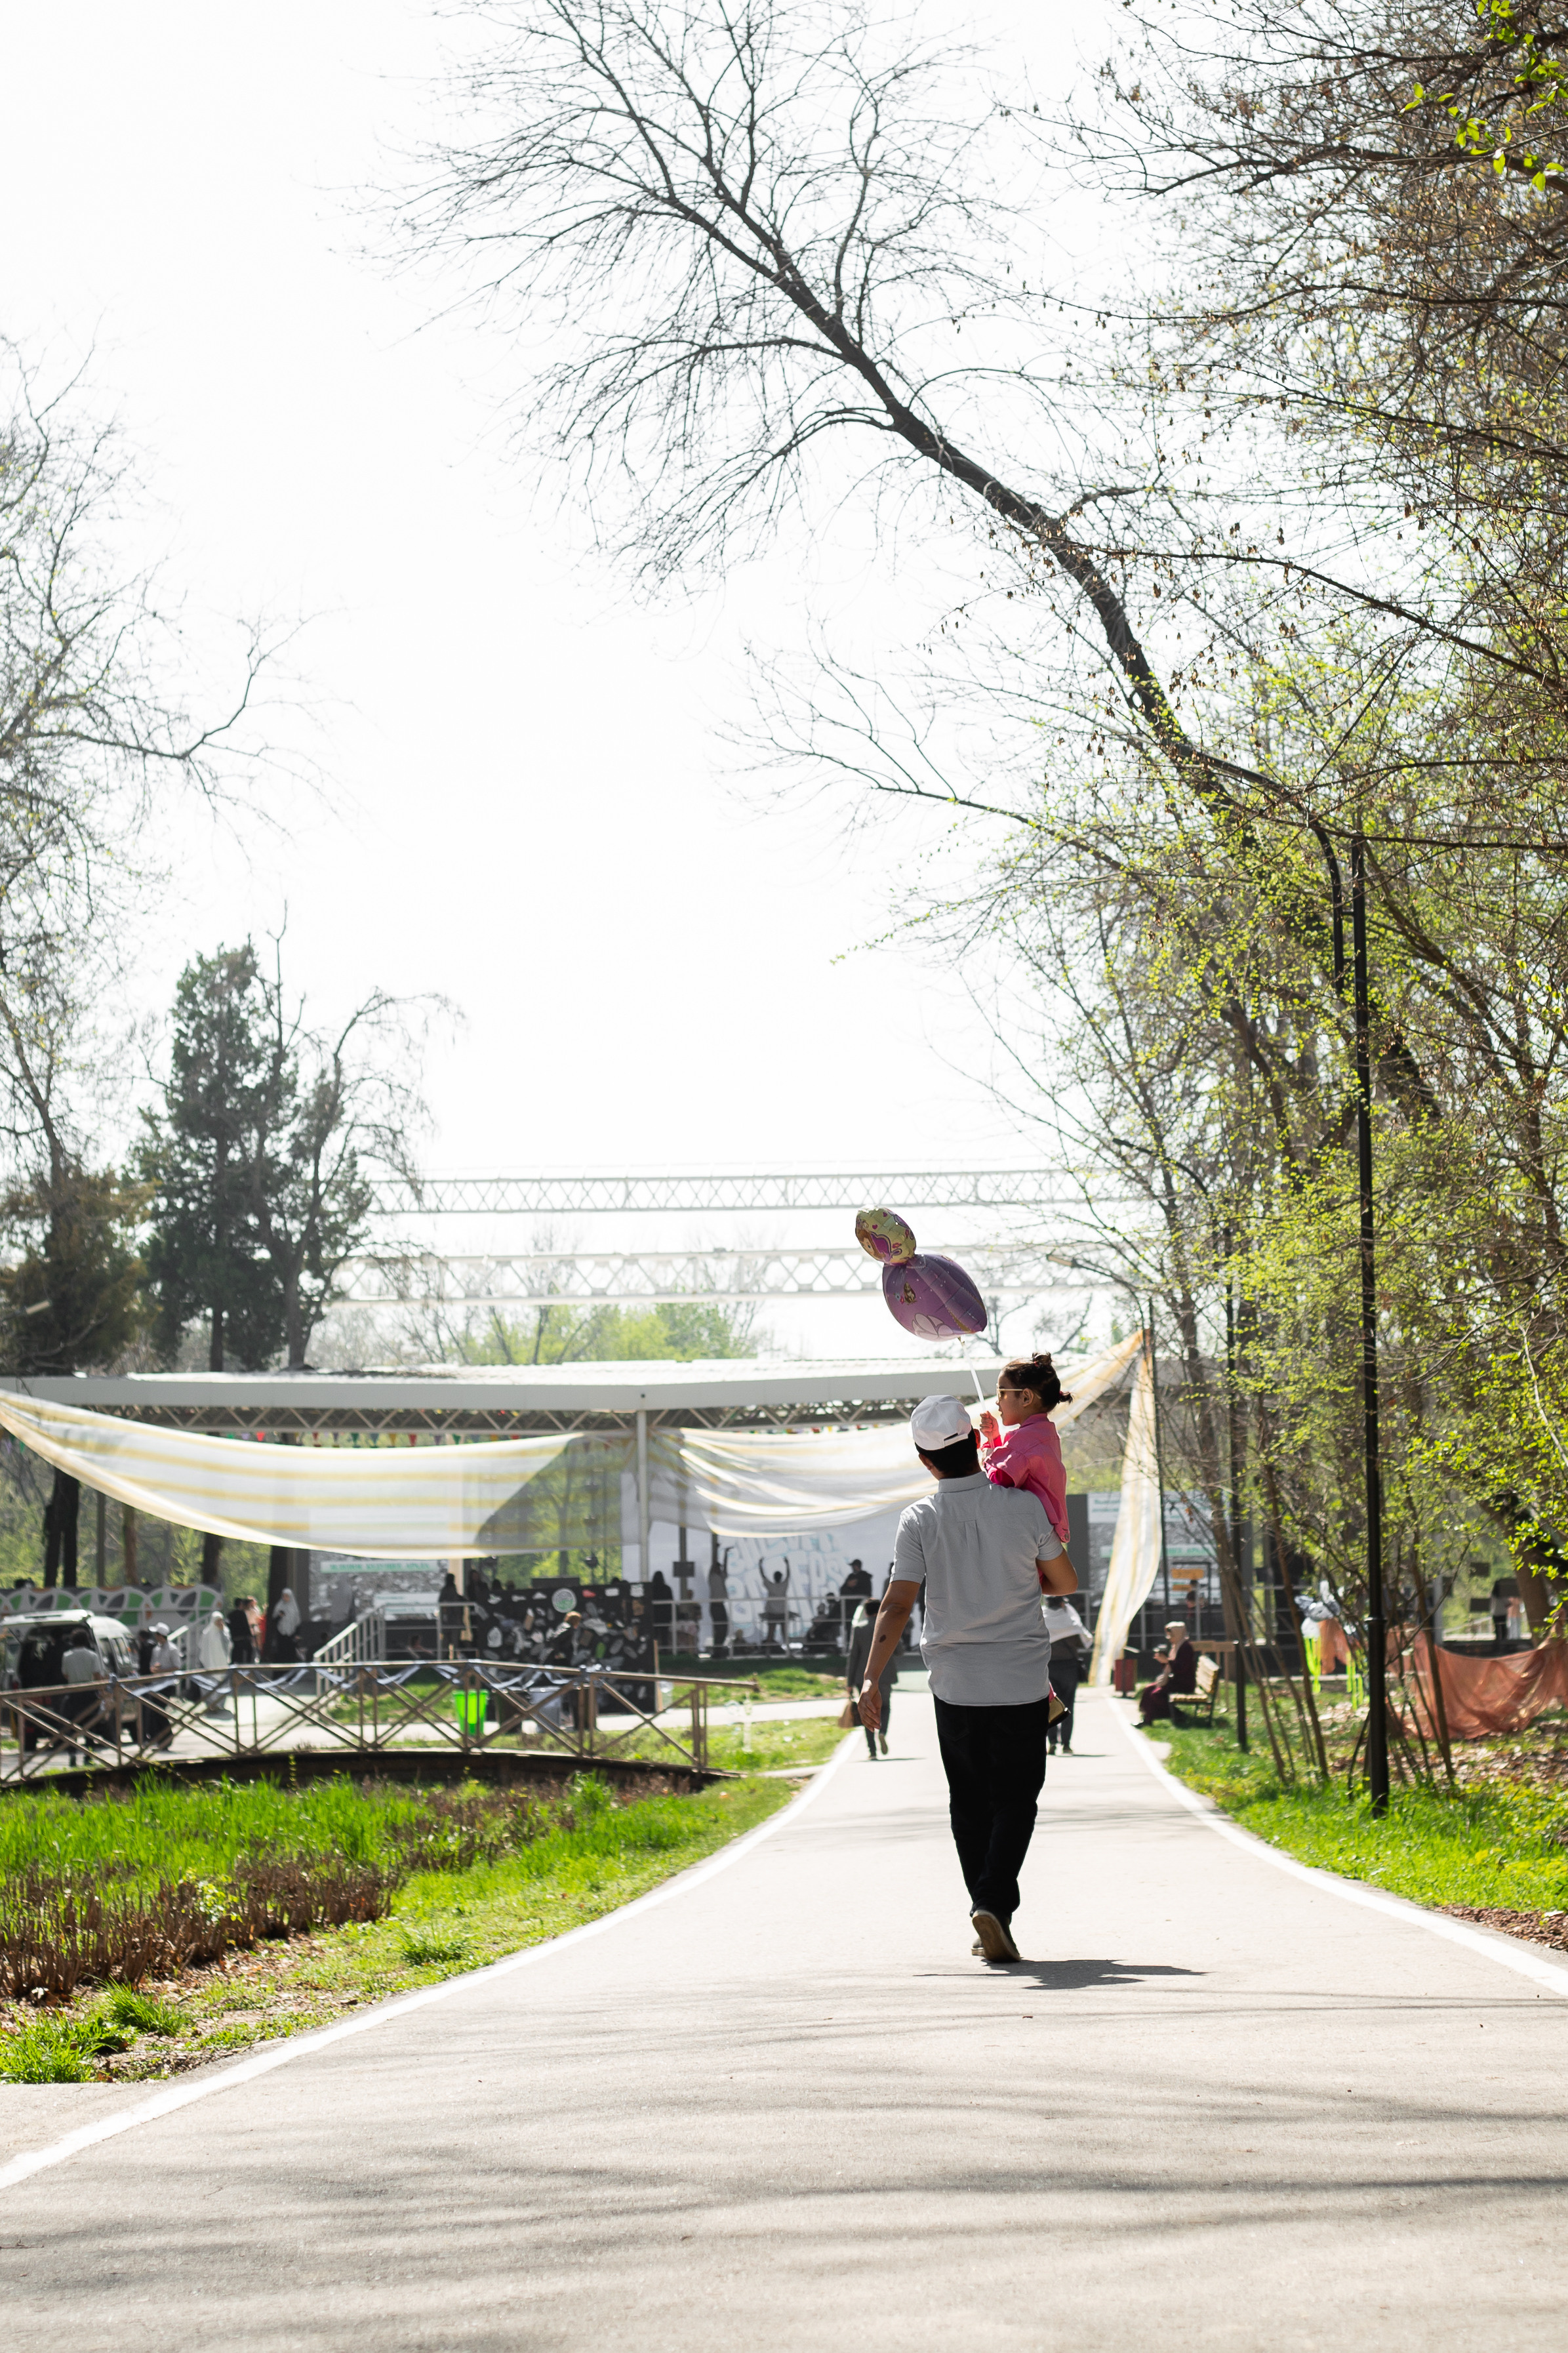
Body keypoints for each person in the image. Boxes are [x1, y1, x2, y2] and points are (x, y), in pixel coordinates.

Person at [856, 1395, 1079, 1967]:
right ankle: (992, 1905)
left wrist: (870, 1679)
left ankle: (988, 1912)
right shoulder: (1025, 1509)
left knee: (968, 1802)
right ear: (976, 1443)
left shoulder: (919, 1520)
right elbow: (1063, 1581)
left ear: (923, 1459)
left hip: (954, 1684)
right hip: (1022, 1682)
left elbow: (898, 1603)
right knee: (1017, 1800)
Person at [976, 1355, 1072, 1551]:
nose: (997, 1402)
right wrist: (994, 1438)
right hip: (1047, 1538)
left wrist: (987, 1453)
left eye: (1002, 1392)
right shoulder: (1045, 1434)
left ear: (1026, 1397)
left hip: (1031, 1542)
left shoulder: (1025, 1443)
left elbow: (997, 1481)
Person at [846, 1584, 897, 1759]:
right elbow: (900, 1650)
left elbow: (853, 1656)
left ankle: (872, 1751)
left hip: (864, 1676)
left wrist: (849, 1682)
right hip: (886, 1674)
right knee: (886, 1706)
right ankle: (883, 1732)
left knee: (867, 1711)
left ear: (866, 1612)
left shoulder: (859, 1629)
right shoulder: (888, 1626)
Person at [1042, 1594, 1091, 1754]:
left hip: (1047, 1667)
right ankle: (1067, 1745)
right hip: (1069, 1667)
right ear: (1063, 1604)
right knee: (1068, 1705)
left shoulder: (1041, 1620)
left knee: (1050, 1706)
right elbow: (1085, 1641)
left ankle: (1052, 1743)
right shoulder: (1071, 1622)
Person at [1138, 1621, 1199, 1722]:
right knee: (1148, 1689)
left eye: (1172, 1636)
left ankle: (1177, 1715)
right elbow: (1171, 1667)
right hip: (1176, 1681)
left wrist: (1167, 1661)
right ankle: (1147, 1717)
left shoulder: (1186, 1648)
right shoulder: (1176, 1647)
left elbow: (1182, 1668)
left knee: (1156, 1694)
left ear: (1178, 1634)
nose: (1170, 1639)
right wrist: (1164, 1662)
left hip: (1184, 1684)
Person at [199, 1605, 233, 1714]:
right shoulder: (207, 1633)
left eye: (221, 1621)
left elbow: (228, 1645)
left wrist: (223, 1632)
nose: (219, 1623)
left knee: (223, 1683)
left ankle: (220, 1704)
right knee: (210, 1684)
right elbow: (203, 1648)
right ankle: (212, 1705)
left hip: (222, 1662)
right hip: (210, 1663)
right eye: (217, 1621)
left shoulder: (225, 1632)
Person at [228, 1594, 256, 1666]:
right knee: (246, 1653)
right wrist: (250, 1636)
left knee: (236, 1652)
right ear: (240, 1604)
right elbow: (246, 1626)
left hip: (234, 1637)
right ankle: (247, 1667)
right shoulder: (242, 1614)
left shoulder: (230, 1614)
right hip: (242, 1638)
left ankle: (233, 1665)